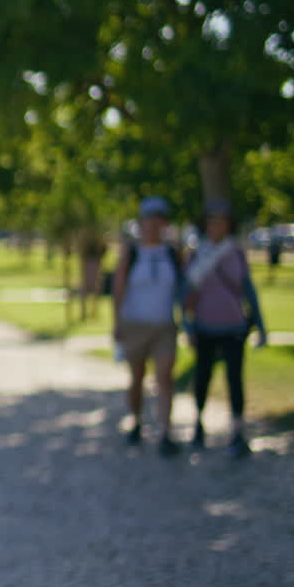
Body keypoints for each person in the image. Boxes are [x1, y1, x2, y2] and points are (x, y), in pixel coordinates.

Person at [184, 199, 267, 458]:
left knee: (235, 380)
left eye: (221, 221)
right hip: (205, 327)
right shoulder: (196, 254)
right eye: (212, 221)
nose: (216, 226)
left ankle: (238, 432)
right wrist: (188, 326)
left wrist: (261, 325)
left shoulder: (236, 253)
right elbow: (185, 295)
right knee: (203, 377)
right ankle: (198, 424)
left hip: (234, 327)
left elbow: (248, 290)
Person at [111, 196, 185, 457]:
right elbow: (118, 290)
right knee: (137, 378)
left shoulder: (172, 254)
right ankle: (136, 420)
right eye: (149, 220)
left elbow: (182, 289)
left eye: (158, 220)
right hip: (135, 324)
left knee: (164, 377)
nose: (153, 225)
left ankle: (165, 432)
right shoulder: (131, 254)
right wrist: (117, 323)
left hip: (164, 325)